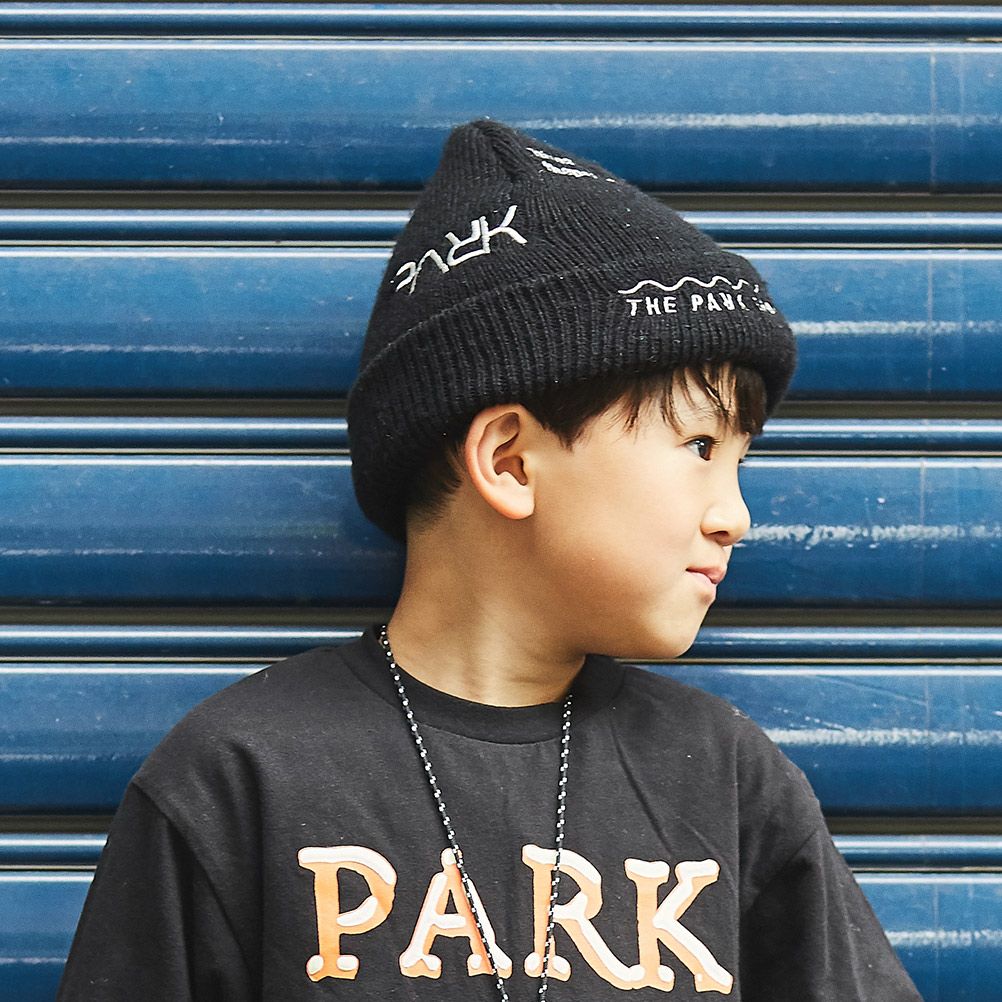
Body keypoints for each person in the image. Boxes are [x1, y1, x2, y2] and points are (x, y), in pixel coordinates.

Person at [56, 119, 921, 1001]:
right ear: (509, 461)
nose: (735, 516)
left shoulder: (728, 780)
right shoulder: (240, 778)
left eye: (740, 461)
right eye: (700, 446)